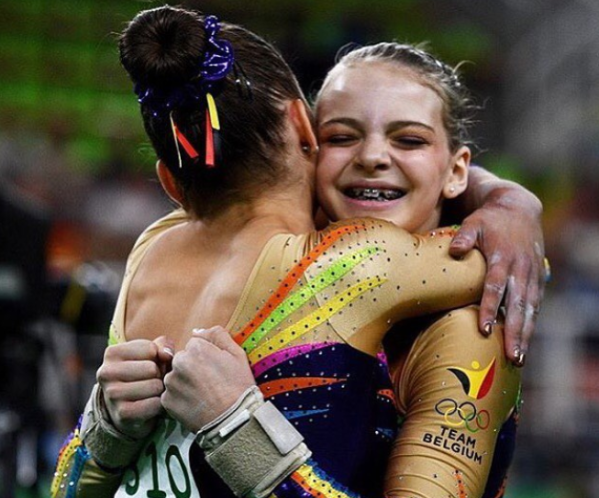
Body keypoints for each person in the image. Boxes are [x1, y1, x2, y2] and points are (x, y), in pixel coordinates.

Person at [50, 6, 539, 498]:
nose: (372, 157)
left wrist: (238, 430)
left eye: (410, 140)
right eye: (341, 137)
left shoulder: (465, 331)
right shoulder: (308, 263)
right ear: (307, 137)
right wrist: (105, 432)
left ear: (456, 170)